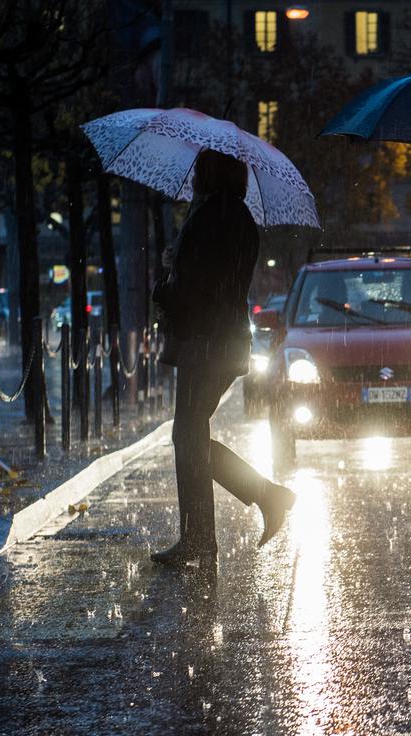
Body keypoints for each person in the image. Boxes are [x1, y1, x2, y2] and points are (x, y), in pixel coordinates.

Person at [151, 149, 296, 567]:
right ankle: (257, 502)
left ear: (211, 173)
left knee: (188, 435)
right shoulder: (238, 218)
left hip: (206, 342)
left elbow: (197, 290)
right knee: (191, 436)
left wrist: (164, 285)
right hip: (224, 341)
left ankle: (202, 537)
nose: (193, 173)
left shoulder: (211, 217)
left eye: (199, 167)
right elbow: (215, 280)